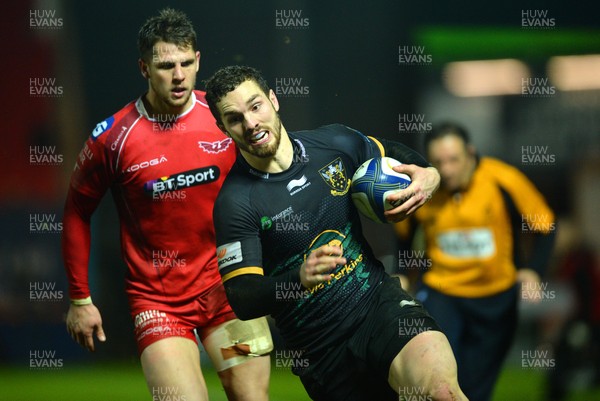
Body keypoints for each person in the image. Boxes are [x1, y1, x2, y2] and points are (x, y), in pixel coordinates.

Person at [204, 65, 467, 401]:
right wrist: (298, 278)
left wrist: (428, 174)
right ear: (222, 127)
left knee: (441, 392)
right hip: (321, 351)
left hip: (379, 308)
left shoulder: (333, 143)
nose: (251, 123)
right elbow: (242, 295)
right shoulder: (236, 203)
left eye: (255, 106)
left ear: (273, 99)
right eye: (235, 118)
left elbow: (394, 154)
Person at [62, 9, 271, 401]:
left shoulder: (227, 117)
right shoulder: (113, 139)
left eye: (185, 63)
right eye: (165, 65)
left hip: (230, 287)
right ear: (143, 67)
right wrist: (79, 298)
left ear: (198, 61)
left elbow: (272, 175)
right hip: (159, 301)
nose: (178, 75)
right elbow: (76, 211)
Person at [394, 122, 556, 401]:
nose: (446, 170)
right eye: (438, 162)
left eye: (454, 159)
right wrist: (402, 273)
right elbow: (403, 235)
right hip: (441, 293)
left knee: (474, 387)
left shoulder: (502, 179)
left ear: (470, 152)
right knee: (435, 379)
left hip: (495, 299)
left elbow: (545, 225)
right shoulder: (423, 187)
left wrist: (533, 270)